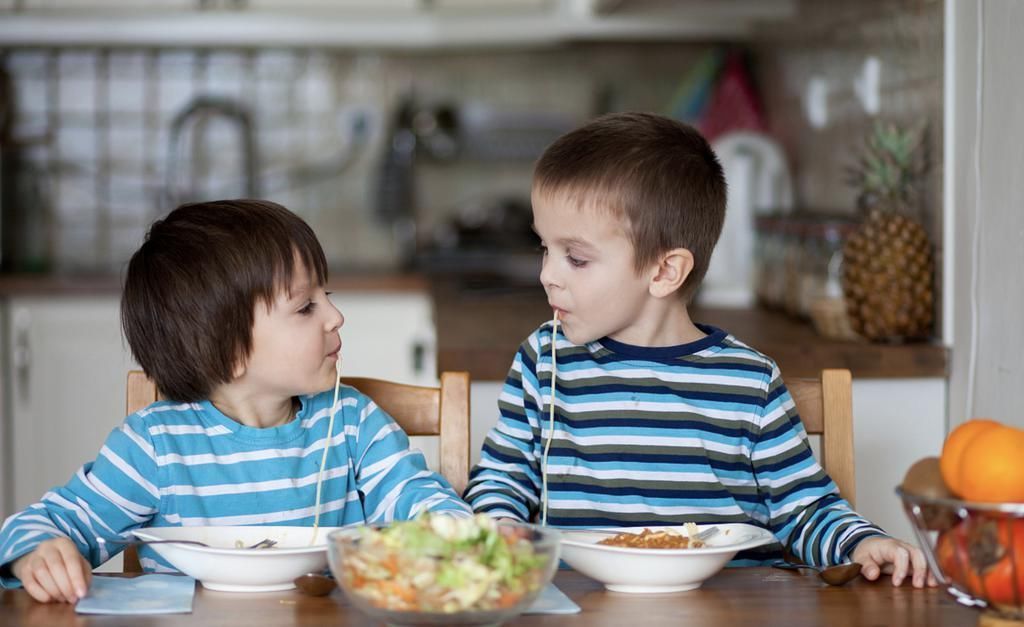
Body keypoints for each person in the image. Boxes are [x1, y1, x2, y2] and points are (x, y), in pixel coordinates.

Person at [463, 112, 934, 588]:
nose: (548, 274)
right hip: (580, 607)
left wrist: (860, 542)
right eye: (545, 248)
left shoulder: (749, 383)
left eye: (576, 258)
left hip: (731, 609)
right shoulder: (544, 361)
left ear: (665, 272)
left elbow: (805, 508)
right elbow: (502, 478)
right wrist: (496, 525)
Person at [0, 199, 470, 603]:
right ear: (228, 350)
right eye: (306, 306)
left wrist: (450, 531)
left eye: (327, 296)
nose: (336, 316)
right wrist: (36, 552)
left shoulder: (352, 423)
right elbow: (55, 523)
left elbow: (416, 497)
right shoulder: (156, 446)